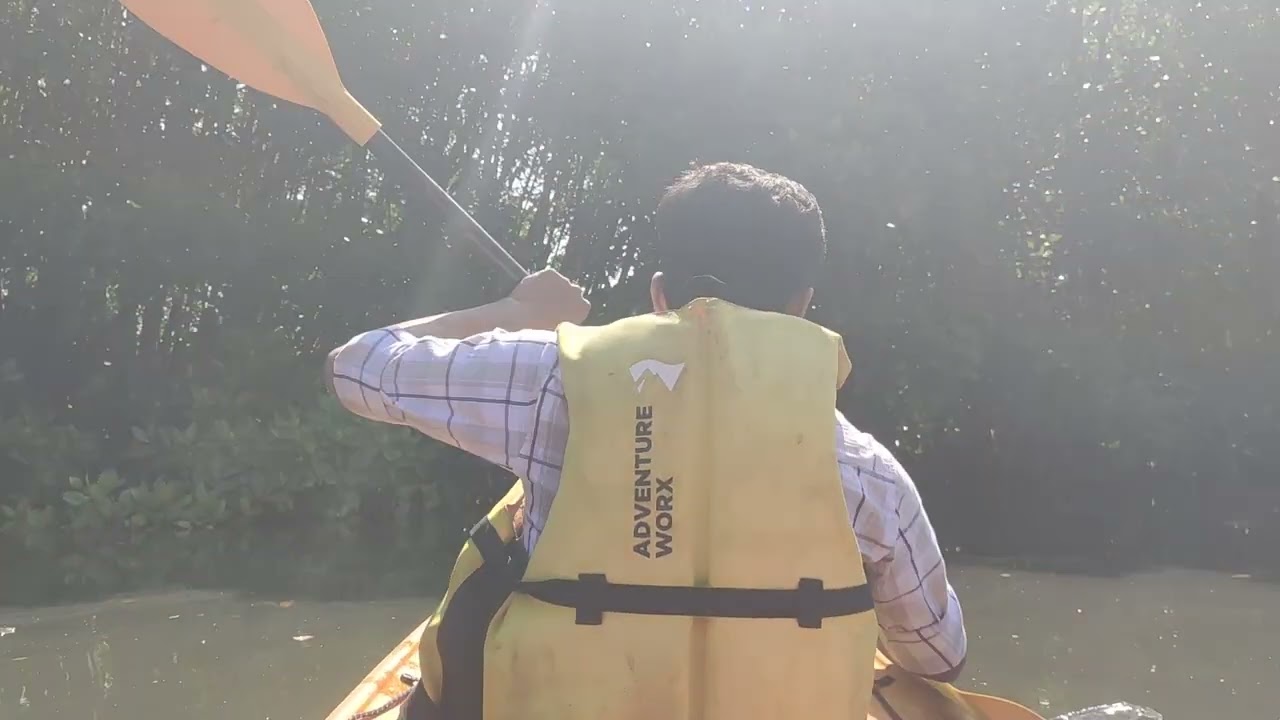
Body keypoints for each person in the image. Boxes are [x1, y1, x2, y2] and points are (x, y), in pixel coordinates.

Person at [325, 162, 967, 718]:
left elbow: (356, 367)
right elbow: (937, 656)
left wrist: (517, 313)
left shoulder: (551, 380)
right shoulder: (866, 473)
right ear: (802, 306)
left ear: (659, 293)